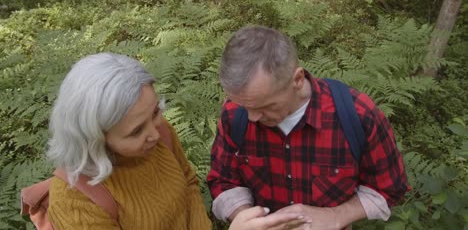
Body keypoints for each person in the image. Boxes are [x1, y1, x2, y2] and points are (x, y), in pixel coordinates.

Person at [46, 52, 308, 229]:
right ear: (94, 138)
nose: (154, 132)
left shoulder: (161, 135)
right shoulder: (75, 200)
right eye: (135, 132)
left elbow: (189, 184)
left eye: (156, 112)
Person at [207, 26, 410, 229]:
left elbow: (390, 188)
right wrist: (245, 217)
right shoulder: (235, 115)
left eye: (265, 106)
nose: (251, 117)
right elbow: (223, 180)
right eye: (245, 106)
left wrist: (335, 216)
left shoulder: (357, 115)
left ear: (297, 79)